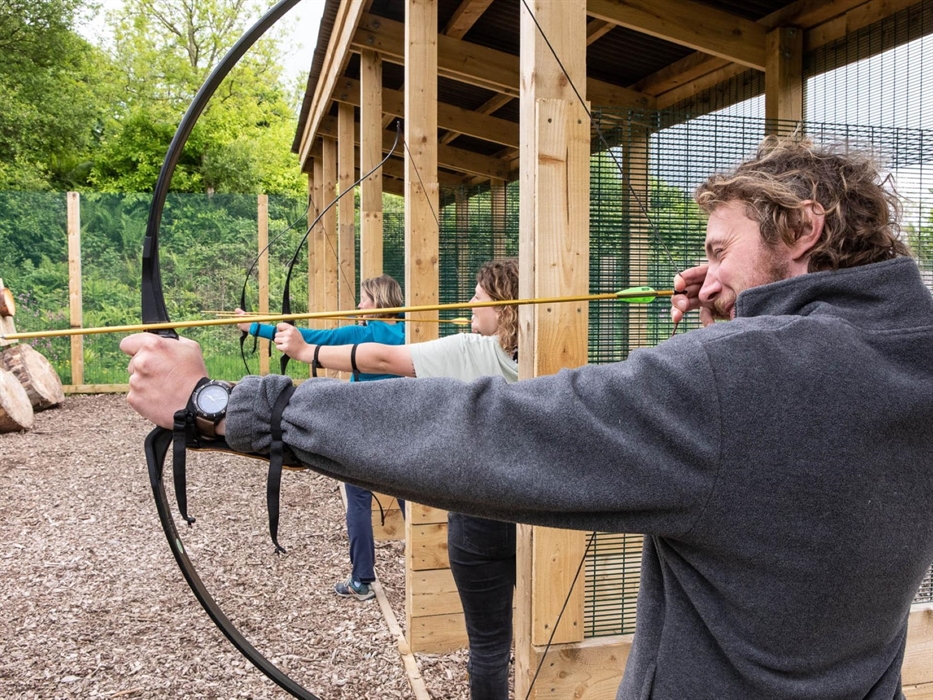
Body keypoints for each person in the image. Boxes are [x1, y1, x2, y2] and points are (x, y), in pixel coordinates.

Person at [122, 136, 933, 700]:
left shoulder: (746, 379)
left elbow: (494, 430)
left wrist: (220, 407)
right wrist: (748, 311)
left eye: (717, 250)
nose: (706, 272)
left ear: (801, 226)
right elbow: (775, 456)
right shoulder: (908, 355)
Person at [274, 258, 519, 700]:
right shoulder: (559, 348)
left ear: (505, 307)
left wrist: (303, 350)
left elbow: (380, 356)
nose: (469, 302)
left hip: (482, 511)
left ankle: (361, 577)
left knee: (488, 645)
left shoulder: (473, 350)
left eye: (480, 296)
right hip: (542, 508)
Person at [239, 274, 407, 602]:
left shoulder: (362, 334)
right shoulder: (412, 333)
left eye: (365, 299)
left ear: (379, 302)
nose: (359, 305)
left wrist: (252, 327)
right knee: (412, 497)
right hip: (405, 428)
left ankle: (362, 580)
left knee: (358, 501)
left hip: (363, 432)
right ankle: (438, 561)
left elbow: (309, 338)